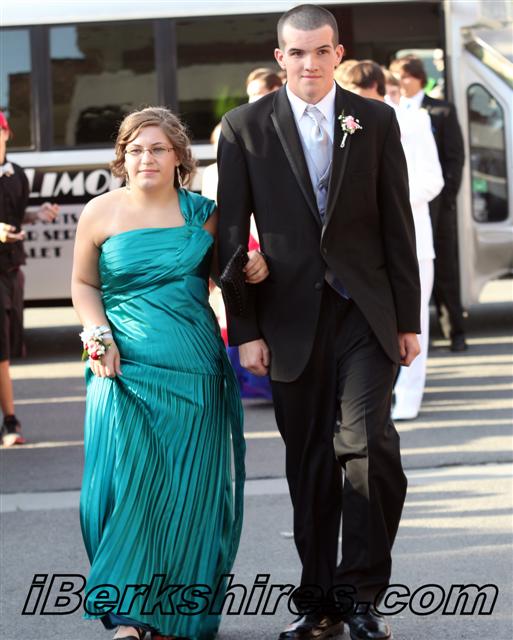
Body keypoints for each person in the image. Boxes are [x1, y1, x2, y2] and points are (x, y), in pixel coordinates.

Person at [217, 6, 421, 640]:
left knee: (367, 447)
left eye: (321, 51)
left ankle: (361, 595)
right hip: (288, 319)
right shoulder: (243, 127)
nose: (310, 63)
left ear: (339, 53)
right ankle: (320, 604)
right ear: (281, 58)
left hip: (366, 311)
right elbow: (231, 235)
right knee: (308, 463)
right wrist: (246, 330)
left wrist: (408, 320)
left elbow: (398, 223)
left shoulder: (375, 120)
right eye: (297, 53)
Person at [71, 106, 269, 640]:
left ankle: (172, 615)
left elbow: (231, 274)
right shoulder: (99, 213)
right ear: (122, 157)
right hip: (120, 369)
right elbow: (84, 285)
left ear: (179, 156)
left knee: (188, 491)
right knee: (127, 488)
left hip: (193, 369)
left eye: (158, 148)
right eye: (136, 149)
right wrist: (97, 335)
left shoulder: (206, 215)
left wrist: (255, 266)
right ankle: (130, 617)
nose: (147, 158)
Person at [341, 61, 444, 420]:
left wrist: (388, 199)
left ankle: (409, 396)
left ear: (378, 92)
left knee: (413, 320)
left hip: (412, 238)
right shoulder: (343, 123)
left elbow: (433, 179)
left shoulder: (413, 122)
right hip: (362, 246)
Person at [390, 55, 467, 351]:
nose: (400, 82)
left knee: (445, 268)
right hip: (410, 205)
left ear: (419, 78)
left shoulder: (441, 110)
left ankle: (455, 330)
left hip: (437, 204)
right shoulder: (390, 111)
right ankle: (421, 331)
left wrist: (446, 200)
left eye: (404, 76)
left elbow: (454, 158)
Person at [0, 111, 59, 447]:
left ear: (6, 133)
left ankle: (9, 421)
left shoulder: (17, 174)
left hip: (12, 270)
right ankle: (10, 421)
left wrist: (38, 214)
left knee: (7, 349)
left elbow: (17, 215)